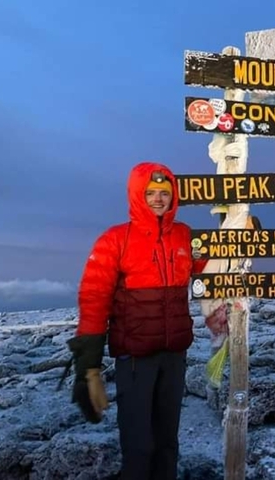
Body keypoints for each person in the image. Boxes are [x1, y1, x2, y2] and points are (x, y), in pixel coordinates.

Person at [66, 161, 215, 480]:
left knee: (167, 443)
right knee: (138, 445)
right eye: (151, 192)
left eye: (164, 192)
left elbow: (214, 271)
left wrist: (241, 236)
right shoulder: (115, 239)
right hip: (135, 360)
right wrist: (88, 368)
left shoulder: (185, 236)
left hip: (174, 357)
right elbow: (93, 300)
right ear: (137, 194)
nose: (158, 198)